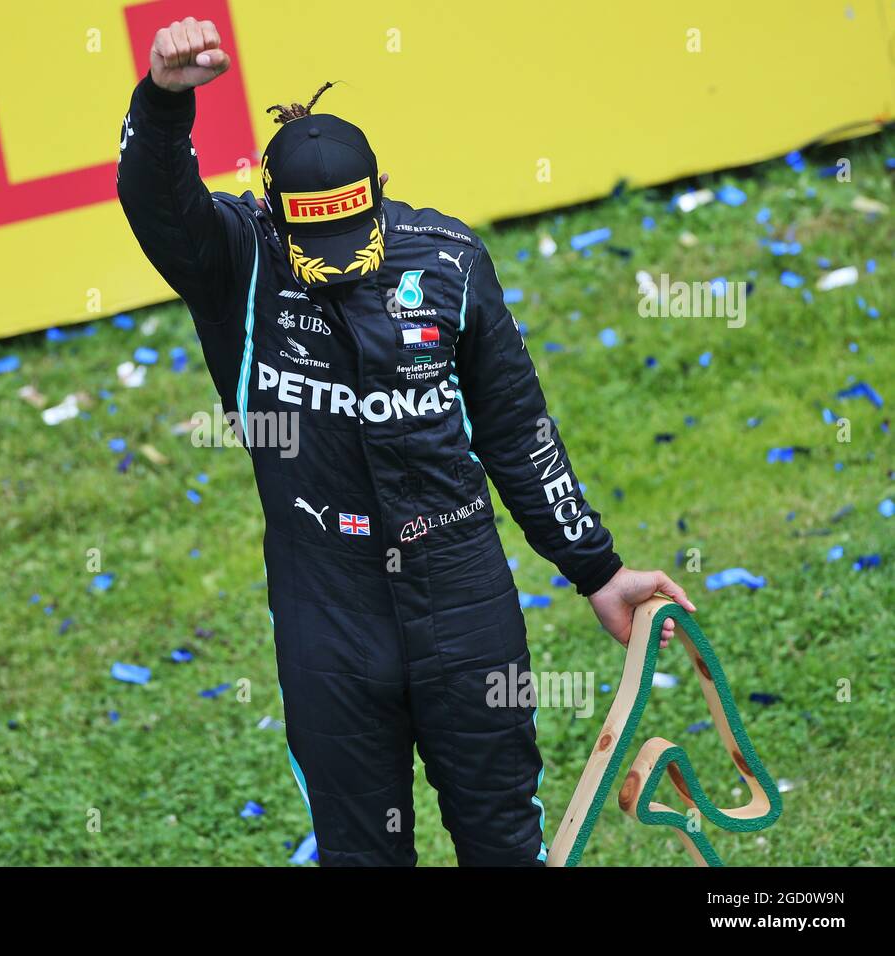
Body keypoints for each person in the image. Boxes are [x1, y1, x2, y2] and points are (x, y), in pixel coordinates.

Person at [117, 16, 696, 866]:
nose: (341, 262)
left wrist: (597, 568)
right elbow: (155, 200)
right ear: (274, 214)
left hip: (461, 589)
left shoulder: (451, 260)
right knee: (362, 854)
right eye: (314, 242)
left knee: (502, 840)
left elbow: (515, 427)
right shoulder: (234, 261)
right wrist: (164, 105)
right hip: (327, 605)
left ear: (382, 190)